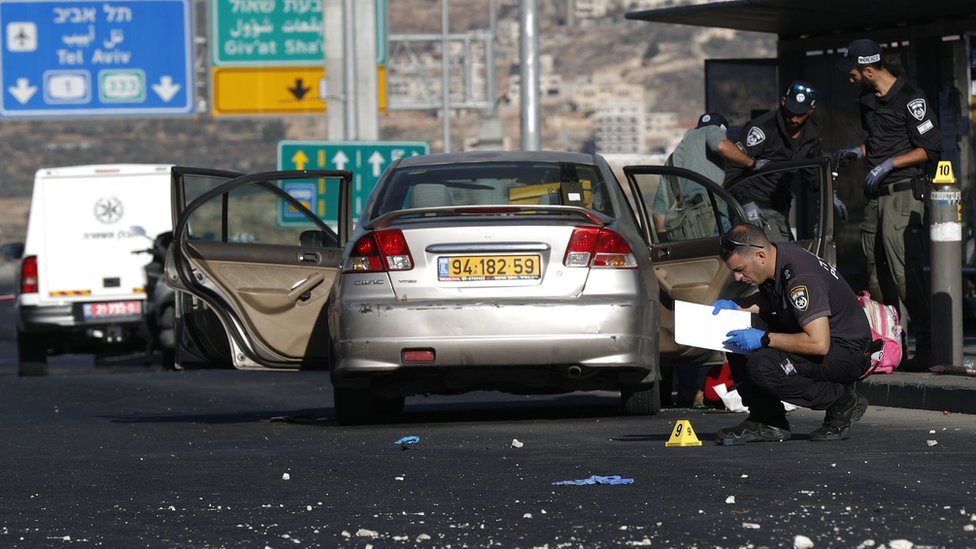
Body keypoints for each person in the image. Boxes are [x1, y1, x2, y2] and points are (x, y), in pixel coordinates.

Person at [710, 223, 873, 443]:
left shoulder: (801, 277)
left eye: (740, 270)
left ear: (759, 256)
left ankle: (841, 401)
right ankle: (767, 421)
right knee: (735, 332)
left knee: (763, 365)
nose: (738, 278)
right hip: (820, 340)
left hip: (846, 352)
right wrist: (737, 307)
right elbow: (772, 300)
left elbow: (818, 343)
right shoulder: (778, 258)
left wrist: (764, 339)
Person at [834, 38, 941, 371]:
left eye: (851, 71)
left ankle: (927, 345)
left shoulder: (912, 100)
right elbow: (876, 142)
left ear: (868, 70)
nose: (847, 76)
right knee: (876, 274)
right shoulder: (867, 100)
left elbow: (931, 148)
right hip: (875, 197)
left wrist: (889, 164)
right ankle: (891, 345)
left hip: (903, 195)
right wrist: (859, 152)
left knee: (903, 271)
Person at [725, 81, 844, 242]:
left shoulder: (811, 136)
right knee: (776, 253)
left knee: (787, 253)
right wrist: (746, 204)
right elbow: (734, 168)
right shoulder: (762, 129)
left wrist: (830, 194)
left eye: (800, 114)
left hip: (779, 207)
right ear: (783, 102)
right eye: (790, 111)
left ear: (811, 110)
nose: (793, 118)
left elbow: (812, 175)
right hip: (752, 203)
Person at [652, 112, 761, 242]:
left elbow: (659, 209)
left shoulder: (671, 160)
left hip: (686, 231)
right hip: (713, 219)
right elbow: (720, 145)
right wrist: (751, 163)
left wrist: (664, 243)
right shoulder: (712, 129)